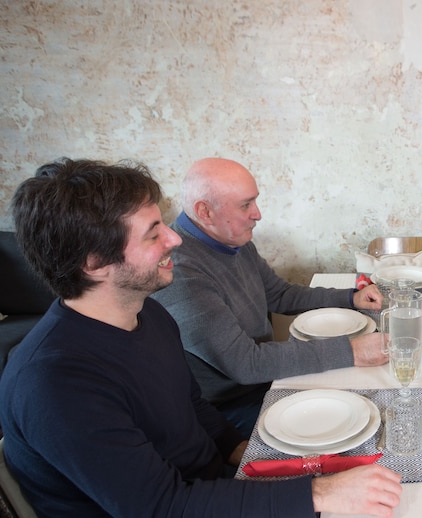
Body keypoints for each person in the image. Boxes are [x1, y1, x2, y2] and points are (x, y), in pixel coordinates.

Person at [0, 158, 402, 518]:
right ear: (94, 264)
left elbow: (192, 408)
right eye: (153, 234)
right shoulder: (56, 383)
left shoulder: (147, 314)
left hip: (202, 495)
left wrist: (251, 452)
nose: (174, 239)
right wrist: (321, 492)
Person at [152, 158, 387, 437]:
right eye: (245, 205)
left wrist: (351, 298)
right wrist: (353, 351)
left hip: (263, 381)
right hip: (228, 410)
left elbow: (279, 294)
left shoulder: (231, 240)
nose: (258, 214)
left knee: (372, 403)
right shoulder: (182, 272)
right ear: (205, 212)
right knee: (364, 418)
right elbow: (246, 364)